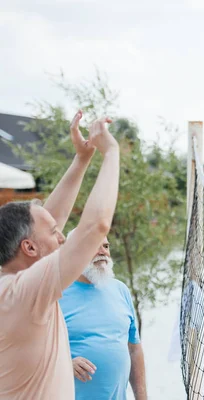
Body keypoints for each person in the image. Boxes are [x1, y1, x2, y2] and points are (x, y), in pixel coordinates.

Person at [0, 111, 120, 400]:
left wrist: (82, 158)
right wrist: (111, 152)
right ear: (29, 248)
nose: (62, 236)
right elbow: (96, 227)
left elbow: (46, 221)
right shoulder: (23, 293)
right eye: (56, 232)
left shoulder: (12, 280)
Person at [59, 233, 147, 400]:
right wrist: (64, 364)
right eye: (94, 245)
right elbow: (28, 352)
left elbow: (134, 349)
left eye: (106, 246)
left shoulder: (121, 290)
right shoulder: (55, 295)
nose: (103, 252)